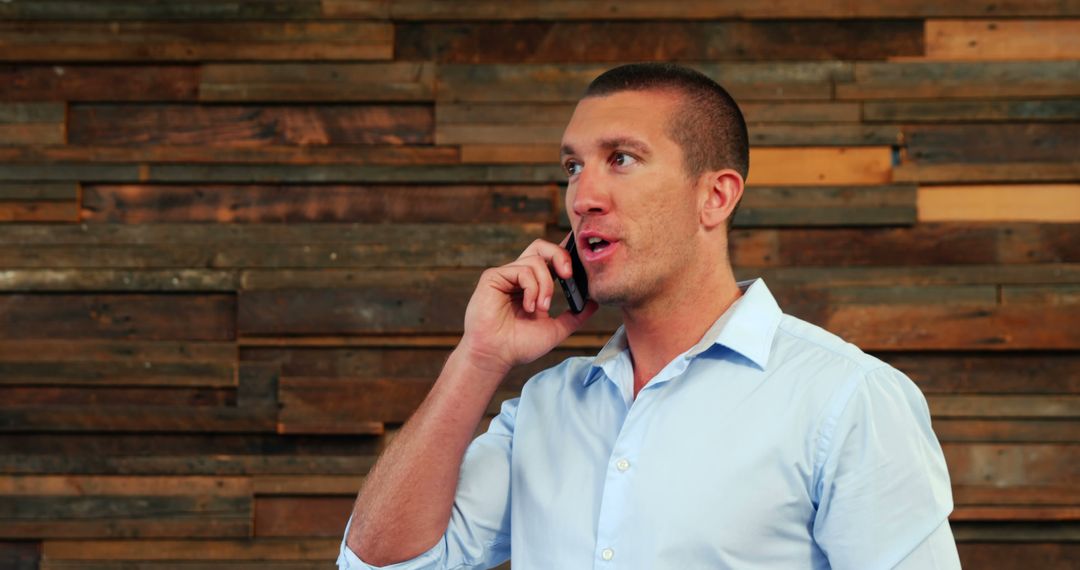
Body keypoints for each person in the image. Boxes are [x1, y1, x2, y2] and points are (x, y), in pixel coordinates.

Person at [337, 63, 960, 569]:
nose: (583, 198)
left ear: (715, 196)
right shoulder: (545, 409)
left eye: (623, 159)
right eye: (573, 166)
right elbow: (380, 563)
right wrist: (479, 357)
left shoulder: (848, 401)